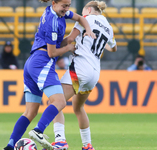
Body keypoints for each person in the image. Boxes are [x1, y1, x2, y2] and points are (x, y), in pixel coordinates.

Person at [3, 0, 96, 150]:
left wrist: (87, 30)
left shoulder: (52, 11)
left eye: (68, 6)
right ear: (54, 3)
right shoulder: (53, 22)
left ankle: (9, 146)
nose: (66, 9)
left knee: (30, 112)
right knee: (60, 102)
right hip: (42, 63)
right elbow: (52, 52)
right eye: (64, 6)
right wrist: (68, 47)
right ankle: (38, 131)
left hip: (32, 63)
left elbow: (80, 18)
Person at [47, 1, 117, 150]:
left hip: (79, 69)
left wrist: (53, 44)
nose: (82, 15)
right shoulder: (108, 27)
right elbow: (114, 48)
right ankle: (88, 145)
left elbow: (70, 39)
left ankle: (60, 140)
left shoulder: (87, 19)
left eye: (84, 11)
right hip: (94, 74)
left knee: (54, 102)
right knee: (78, 108)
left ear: (89, 9)